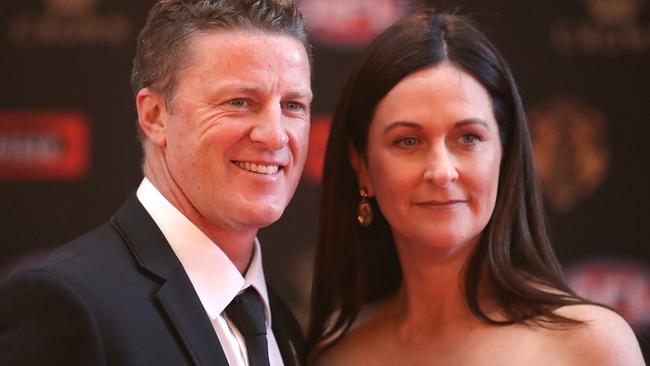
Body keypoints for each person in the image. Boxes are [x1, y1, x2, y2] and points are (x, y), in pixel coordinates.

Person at [307, 8, 645, 365]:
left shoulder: (591, 345)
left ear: (505, 154)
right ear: (362, 167)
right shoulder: (338, 356)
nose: (441, 171)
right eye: (408, 141)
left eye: (468, 137)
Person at [0, 0, 312, 365]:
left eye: (293, 105)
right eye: (240, 101)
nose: (275, 136)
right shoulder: (67, 304)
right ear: (155, 116)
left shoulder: (281, 324)